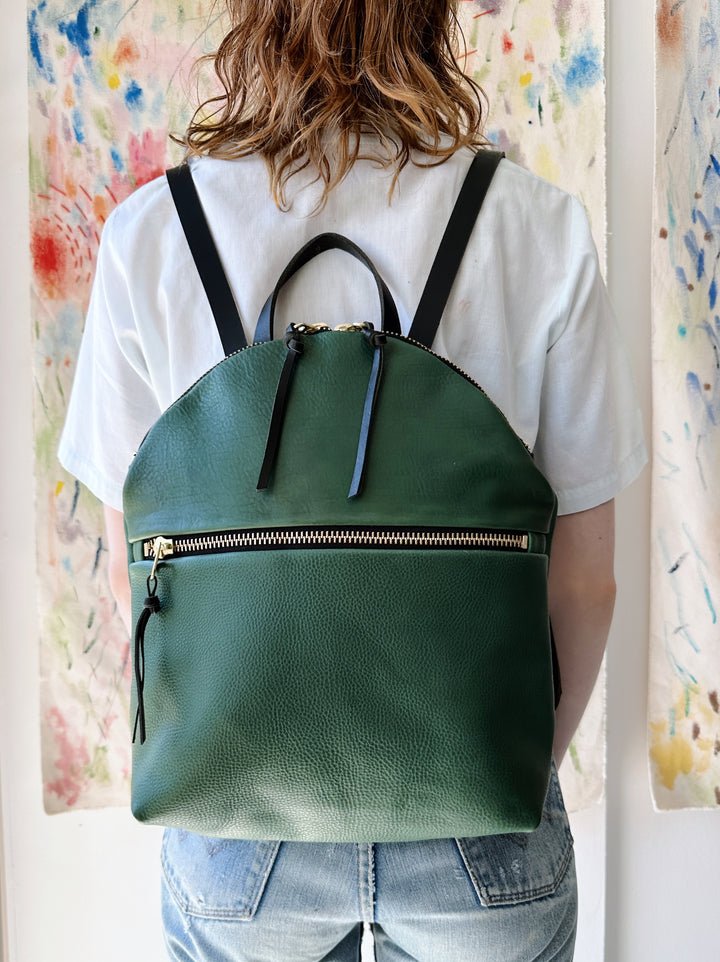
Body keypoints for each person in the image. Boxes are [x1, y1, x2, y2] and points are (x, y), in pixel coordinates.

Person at [58, 1, 647, 959]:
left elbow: (138, 583)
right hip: (478, 814)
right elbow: (588, 583)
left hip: (236, 821)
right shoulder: (535, 226)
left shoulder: (152, 236)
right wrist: (514, 765)